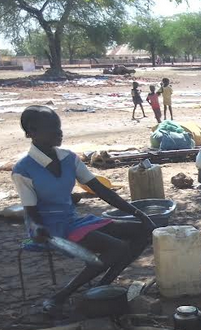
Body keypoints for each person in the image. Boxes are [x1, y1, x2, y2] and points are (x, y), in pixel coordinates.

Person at [11, 106, 156, 316]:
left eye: (59, 127)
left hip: (73, 221)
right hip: (48, 229)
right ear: (32, 132)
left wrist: (140, 214)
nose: (59, 132)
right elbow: (31, 212)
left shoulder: (69, 159)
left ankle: (101, 287)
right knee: (117, 248)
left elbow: (101, 190)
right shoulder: (23, 170)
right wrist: (38, 228)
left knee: (142, 232)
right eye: (53, 128)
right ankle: (61, 296)